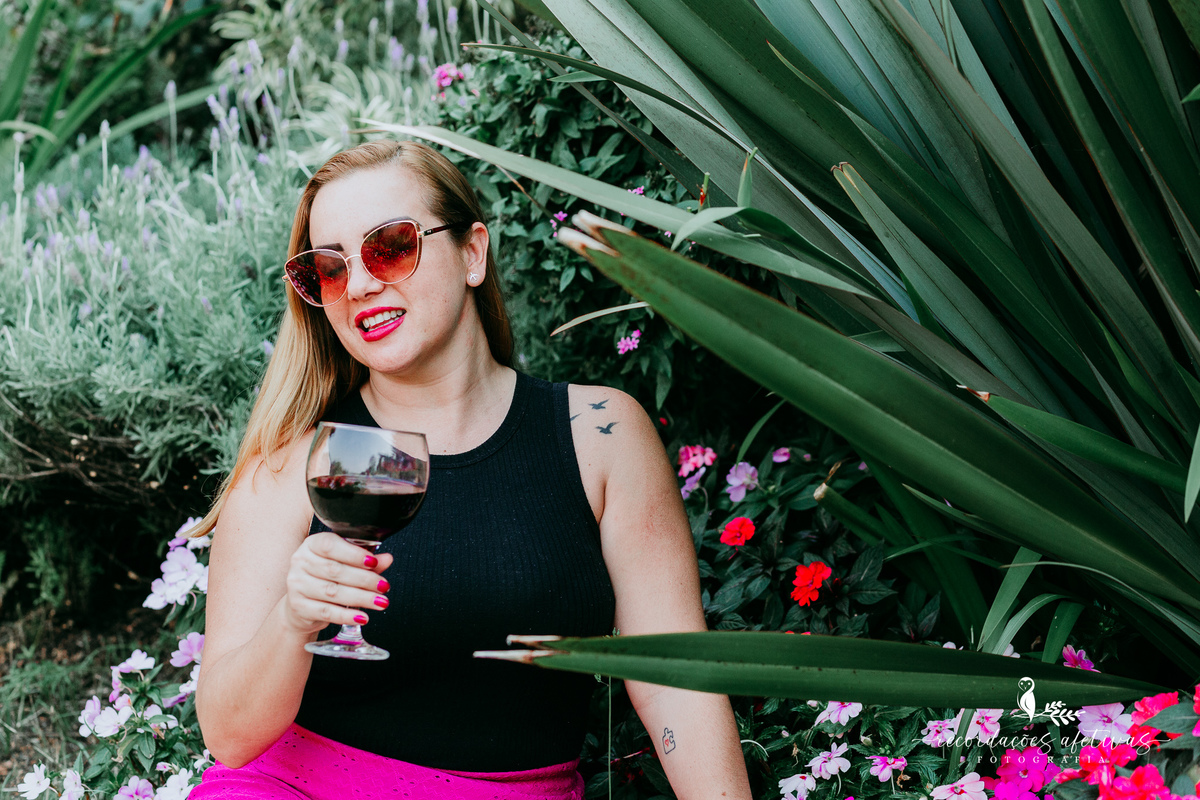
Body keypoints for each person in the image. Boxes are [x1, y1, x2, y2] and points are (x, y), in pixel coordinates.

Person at [187, 139, 753, 799]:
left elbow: (674, 681)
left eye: (391, 246)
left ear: (472, 252)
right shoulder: (292, 464)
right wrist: (294, 619)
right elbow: (227, 737)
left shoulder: (598, 435)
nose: (363, 284)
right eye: (331, 268)